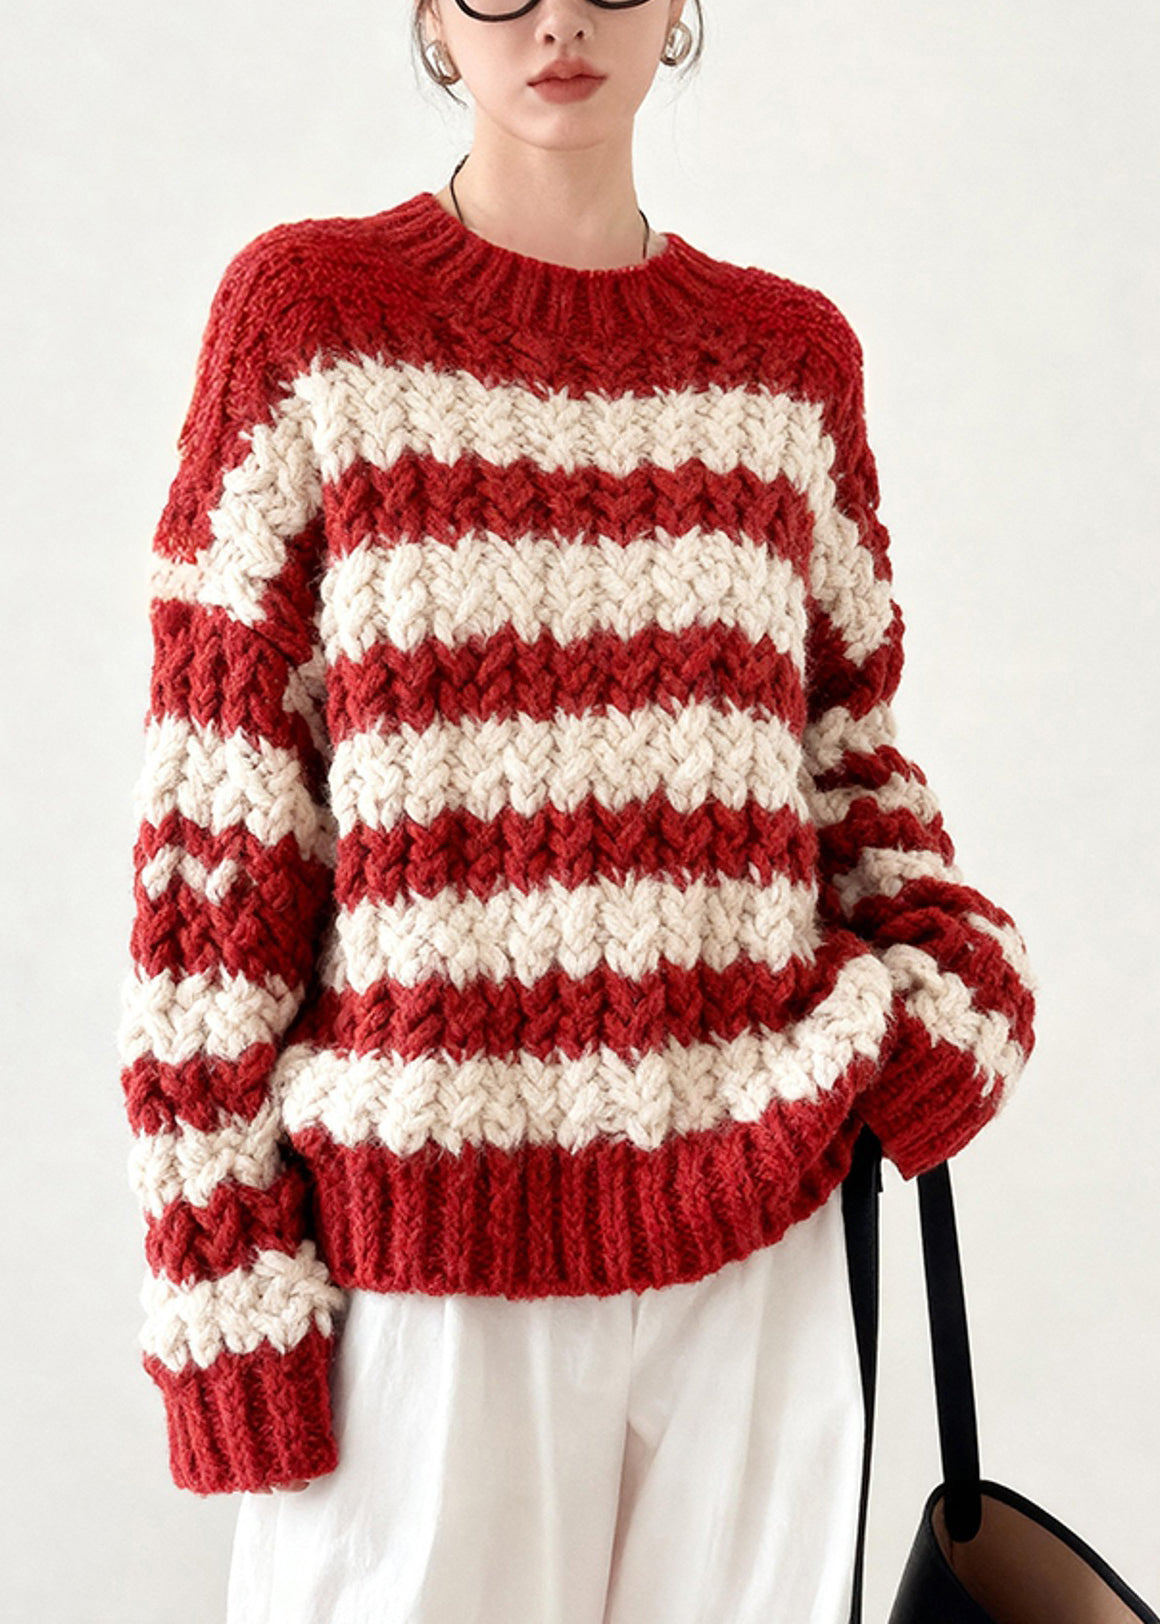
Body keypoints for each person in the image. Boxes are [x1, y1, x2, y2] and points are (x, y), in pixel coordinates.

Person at [116, 0, 1039, 1618]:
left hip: (757, 1253)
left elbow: (846, 760)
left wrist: (954, 979)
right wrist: (225, 1304)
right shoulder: (308, 324)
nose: (558, 17)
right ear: (429, 11)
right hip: (425, 1267)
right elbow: (217, 847)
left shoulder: (788, 365)